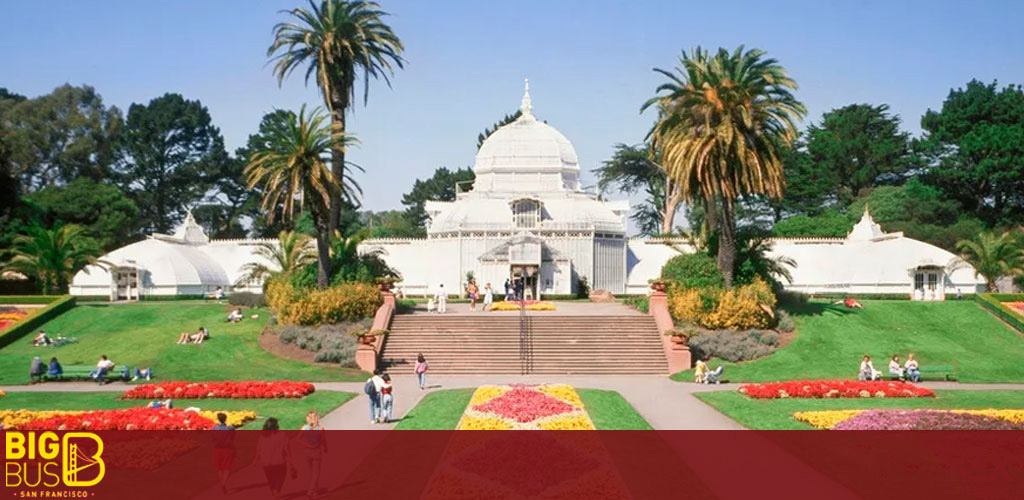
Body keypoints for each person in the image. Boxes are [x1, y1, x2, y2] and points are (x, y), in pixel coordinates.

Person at [254, 417, 290, 499]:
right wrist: (291, 463)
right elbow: (287, 449)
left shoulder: (262, 436)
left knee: (271, 479)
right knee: (281, 478)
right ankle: (277, 492)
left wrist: (255, 460)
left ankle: (274, 493)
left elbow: (258, 449)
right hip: (280, 461)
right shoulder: (282, 434)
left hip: (266, 463)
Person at [299, 410, 327, 499]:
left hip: (307, 452)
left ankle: (315, 491)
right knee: (315, 474)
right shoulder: (321, 429)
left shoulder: (304, 428)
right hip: (316, 452)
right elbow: (323, 440)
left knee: (312, 473)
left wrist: (304, 445)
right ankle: (311, 491)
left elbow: (298, 439)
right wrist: (326, 448)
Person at [211, 412, 235, 494]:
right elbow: (233, 437)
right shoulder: (230, 428)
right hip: (228, 449)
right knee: (227, 468)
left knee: (220, 468)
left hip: (217, 449)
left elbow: (213, 438)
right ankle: (223, 483)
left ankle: (222, 482)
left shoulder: (214, 429)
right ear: (225, 419)